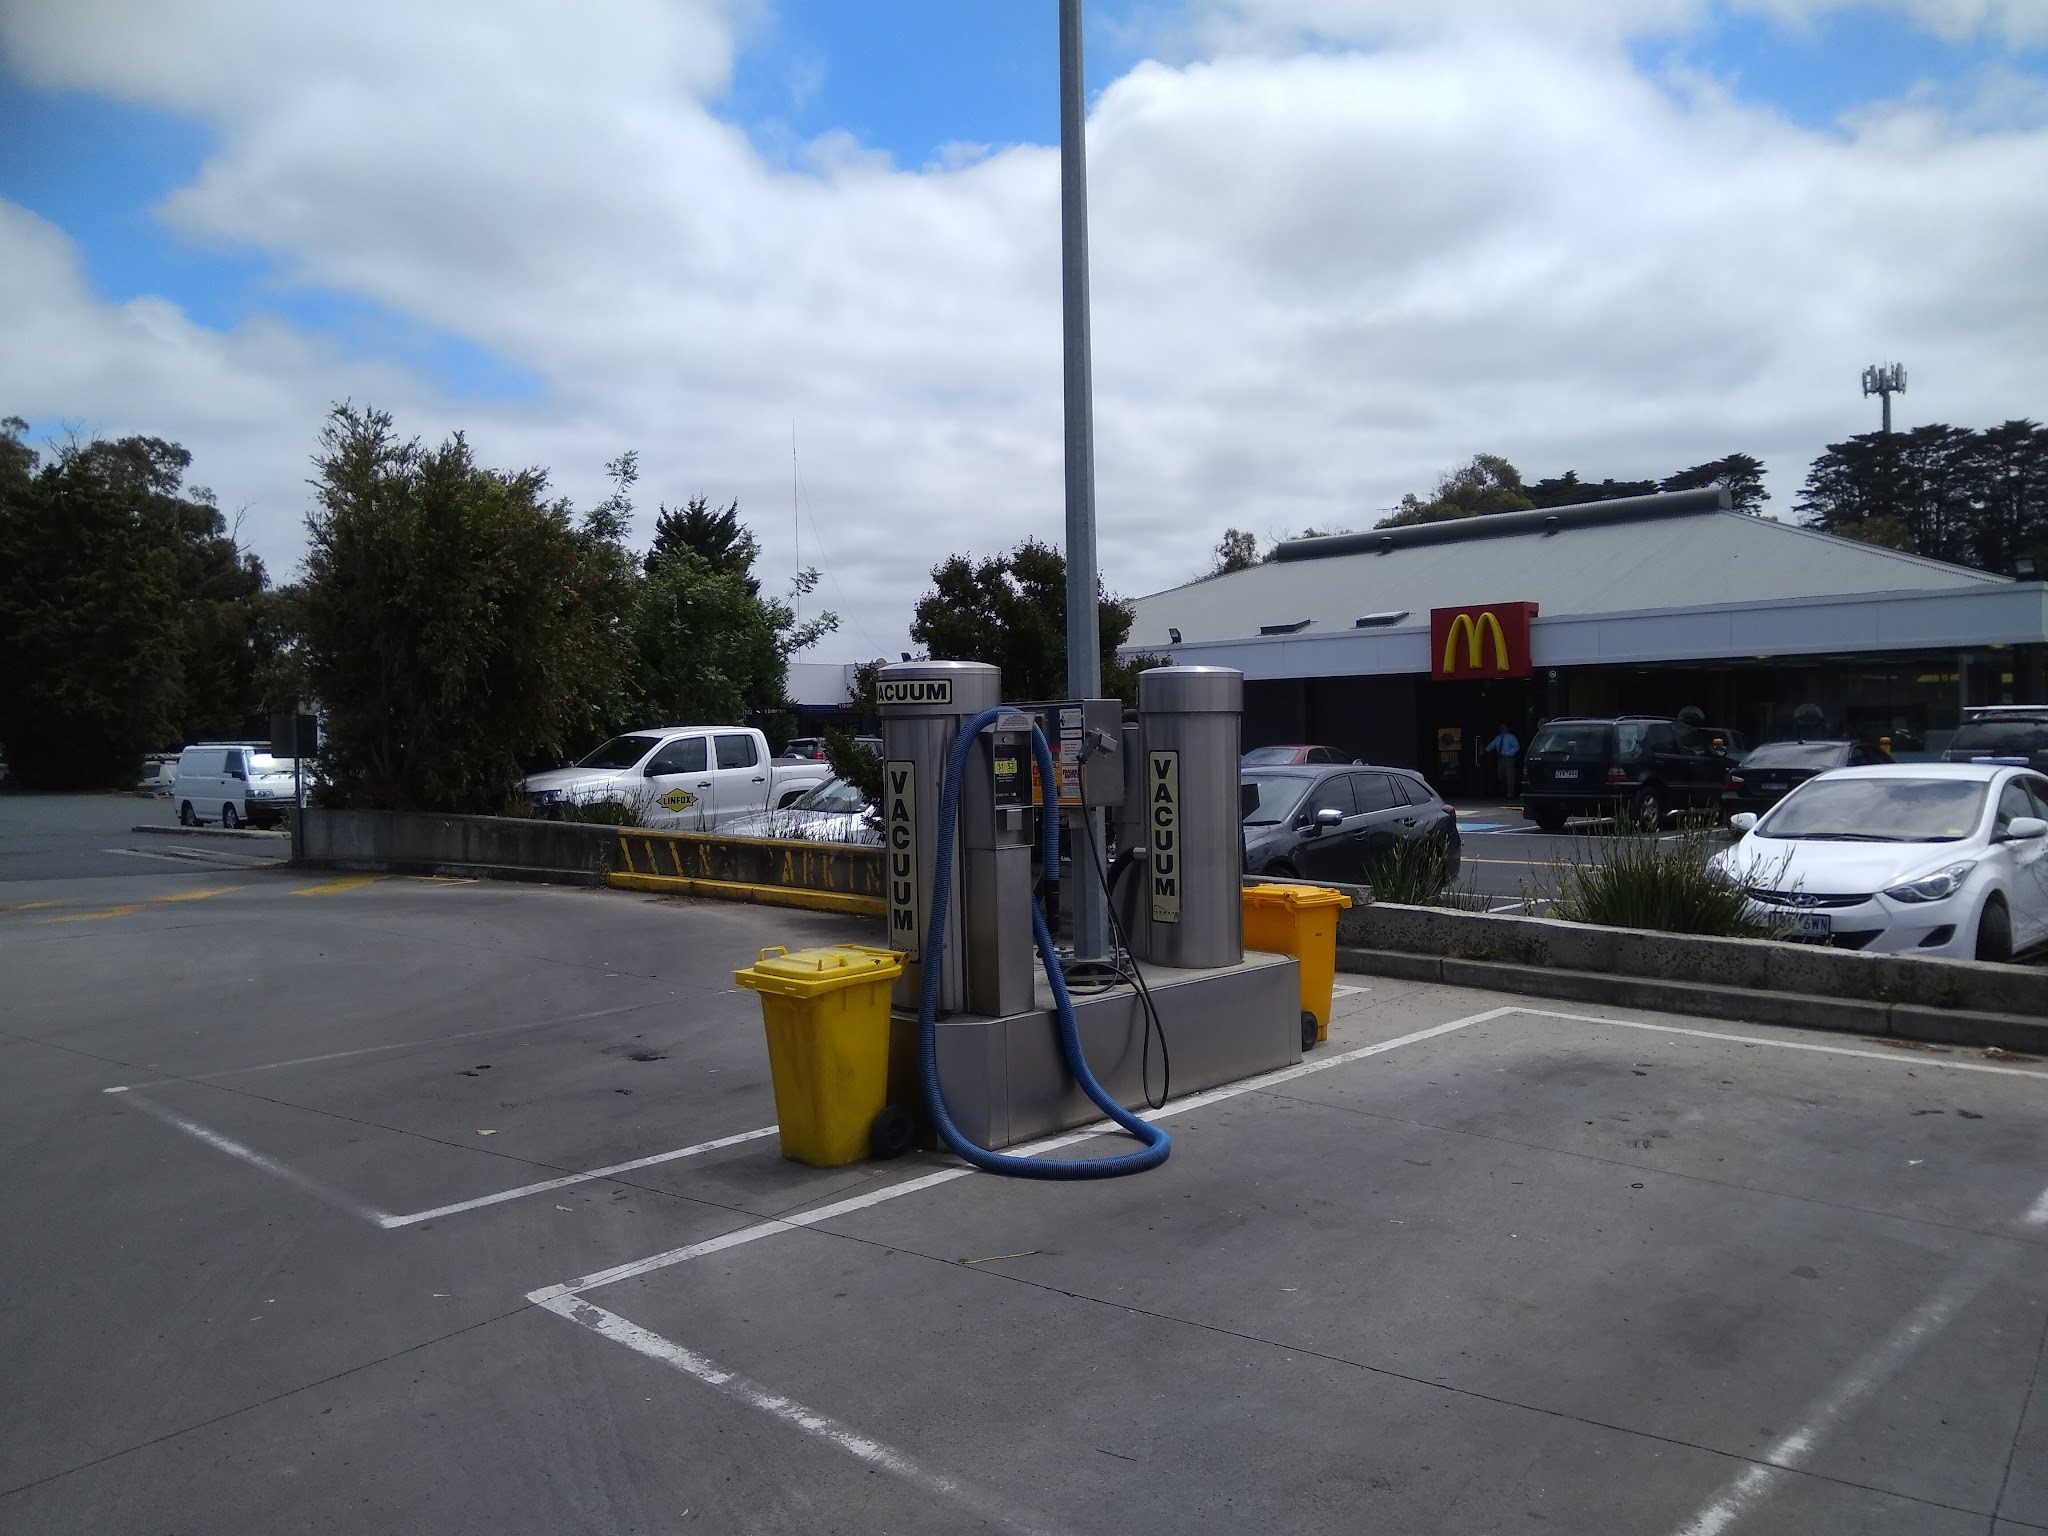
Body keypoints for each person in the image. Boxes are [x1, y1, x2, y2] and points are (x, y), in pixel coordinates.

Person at [1483, 721, 1521, 799]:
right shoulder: (1498, 738)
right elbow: (1491, 746)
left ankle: (1510, 794)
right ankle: (1503, 791)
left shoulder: (1511, 737)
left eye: (1504, 727)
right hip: (1500, 759)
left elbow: (1517, 747)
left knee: (1510, 776)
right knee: (1500, 775)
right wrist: (1484, 750)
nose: (1502, 729)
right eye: (1501, 727)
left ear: (1507, 728)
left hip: (1509, 759)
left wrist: (1509, 753)